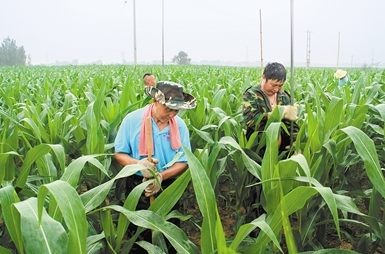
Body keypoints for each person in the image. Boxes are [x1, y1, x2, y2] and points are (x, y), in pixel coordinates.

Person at [114, 81, 196, 253]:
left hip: (169, 186)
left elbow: (184, 161)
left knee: (169, 231)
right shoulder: (132, 120)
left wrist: (161, 177)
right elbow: (119, 154)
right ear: (155, 102)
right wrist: (139, 164)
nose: (173, 114)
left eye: (176, 110)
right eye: (168, 109)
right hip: (138, 185)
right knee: (139, 235)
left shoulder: (180, 126)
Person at [242, 62, 299, 154]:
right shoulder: (252, 95)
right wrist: (279, 113)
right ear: (264, 78)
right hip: (258, 151)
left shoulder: (284, 97)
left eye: (280, 85)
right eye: (273, 85)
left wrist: (295, 145)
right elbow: (251, 120)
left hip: (281, 151)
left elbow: (292, 125)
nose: (276, 89)